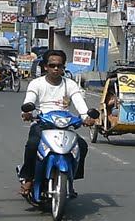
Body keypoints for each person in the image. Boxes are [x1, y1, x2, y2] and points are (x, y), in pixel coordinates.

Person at [19, 49, 95, 196]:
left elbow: (79, 102)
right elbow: (29, 101)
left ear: (63, 67)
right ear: (45, 66)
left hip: (64, 124)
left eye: (59, 66)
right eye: (52, 65)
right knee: (32, 145)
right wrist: (28, 112)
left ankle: (71, 178)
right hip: (42, 123)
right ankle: (28, 177)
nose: (55, 68)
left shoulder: (70, 85)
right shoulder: (36, 83)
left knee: (82, 146)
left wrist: (86, 116)